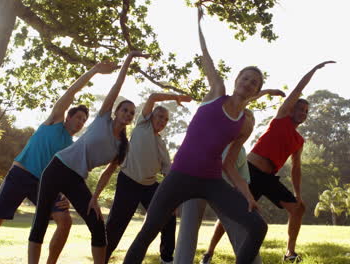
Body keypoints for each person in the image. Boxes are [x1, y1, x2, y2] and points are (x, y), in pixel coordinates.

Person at [123, 8, 267, 264]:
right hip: (180, 176)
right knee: (148, 230)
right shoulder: (216, 92)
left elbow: (229, 164)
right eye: (245, 78)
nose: (248, 83)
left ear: (257, 90)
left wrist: (247, 195)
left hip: (211, 181)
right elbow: (206, 58)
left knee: (258, 227)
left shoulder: (244, 123)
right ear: (237, 80)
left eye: (254, 82)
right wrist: (198, 24)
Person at [0, 61, 118, 264]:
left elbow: (68, 173)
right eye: (78, 117)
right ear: (68, 116)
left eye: (84, 120)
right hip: (20, 175)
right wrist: (94, 71)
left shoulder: (71, 147)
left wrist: (64, 193)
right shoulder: (54, 121)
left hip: (45, 184)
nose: (81, 122)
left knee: (65, 222)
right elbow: (72, 91)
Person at [27, 50, 149, 264]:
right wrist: (128, 59)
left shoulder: (123, 146)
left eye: (131, 113)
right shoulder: (103, 118)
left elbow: (107, 173)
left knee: (97, 225)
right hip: (57, 168)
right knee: (40, 222)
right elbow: (117, 86)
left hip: (76, 179)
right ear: (116, 111)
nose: (128, 114)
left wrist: (94, 198)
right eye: (125, 109)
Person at [174, 89, 286, 264]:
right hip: (195, 181)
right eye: (244, 117)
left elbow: (242, 180)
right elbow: (244, 98)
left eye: (251, 120)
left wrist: (246, 199)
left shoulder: (240, 151)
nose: (247, 121)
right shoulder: (220, 134)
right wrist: (267, 91)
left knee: (240, 230)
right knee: (187, 230)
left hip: (222, 190)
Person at [246, 60, 335, 262]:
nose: (302, 113)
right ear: (291, 109)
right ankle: (208, 253)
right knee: (237, 210)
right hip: (250, 171)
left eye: (306, 112)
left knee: (298, 208)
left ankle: (289, 252)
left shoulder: (299, 140)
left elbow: (296, 169)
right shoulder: (280, 119)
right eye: (299, 109)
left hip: (268, 177)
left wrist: (298, 194)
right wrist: (314, 70)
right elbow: (298, 89)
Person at [91, 92, 192, 264]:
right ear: (150, 116)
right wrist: (176, 97)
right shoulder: (142, 124)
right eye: (159, 116)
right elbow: (152, 97)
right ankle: (102, 260)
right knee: (115, 228)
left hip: (149, 187)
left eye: (165, 120)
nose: (162, 121)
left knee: (168, 217)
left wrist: (172, 200)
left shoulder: (161, 145)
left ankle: (166, 259)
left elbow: (169, 174)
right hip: (128, 182)